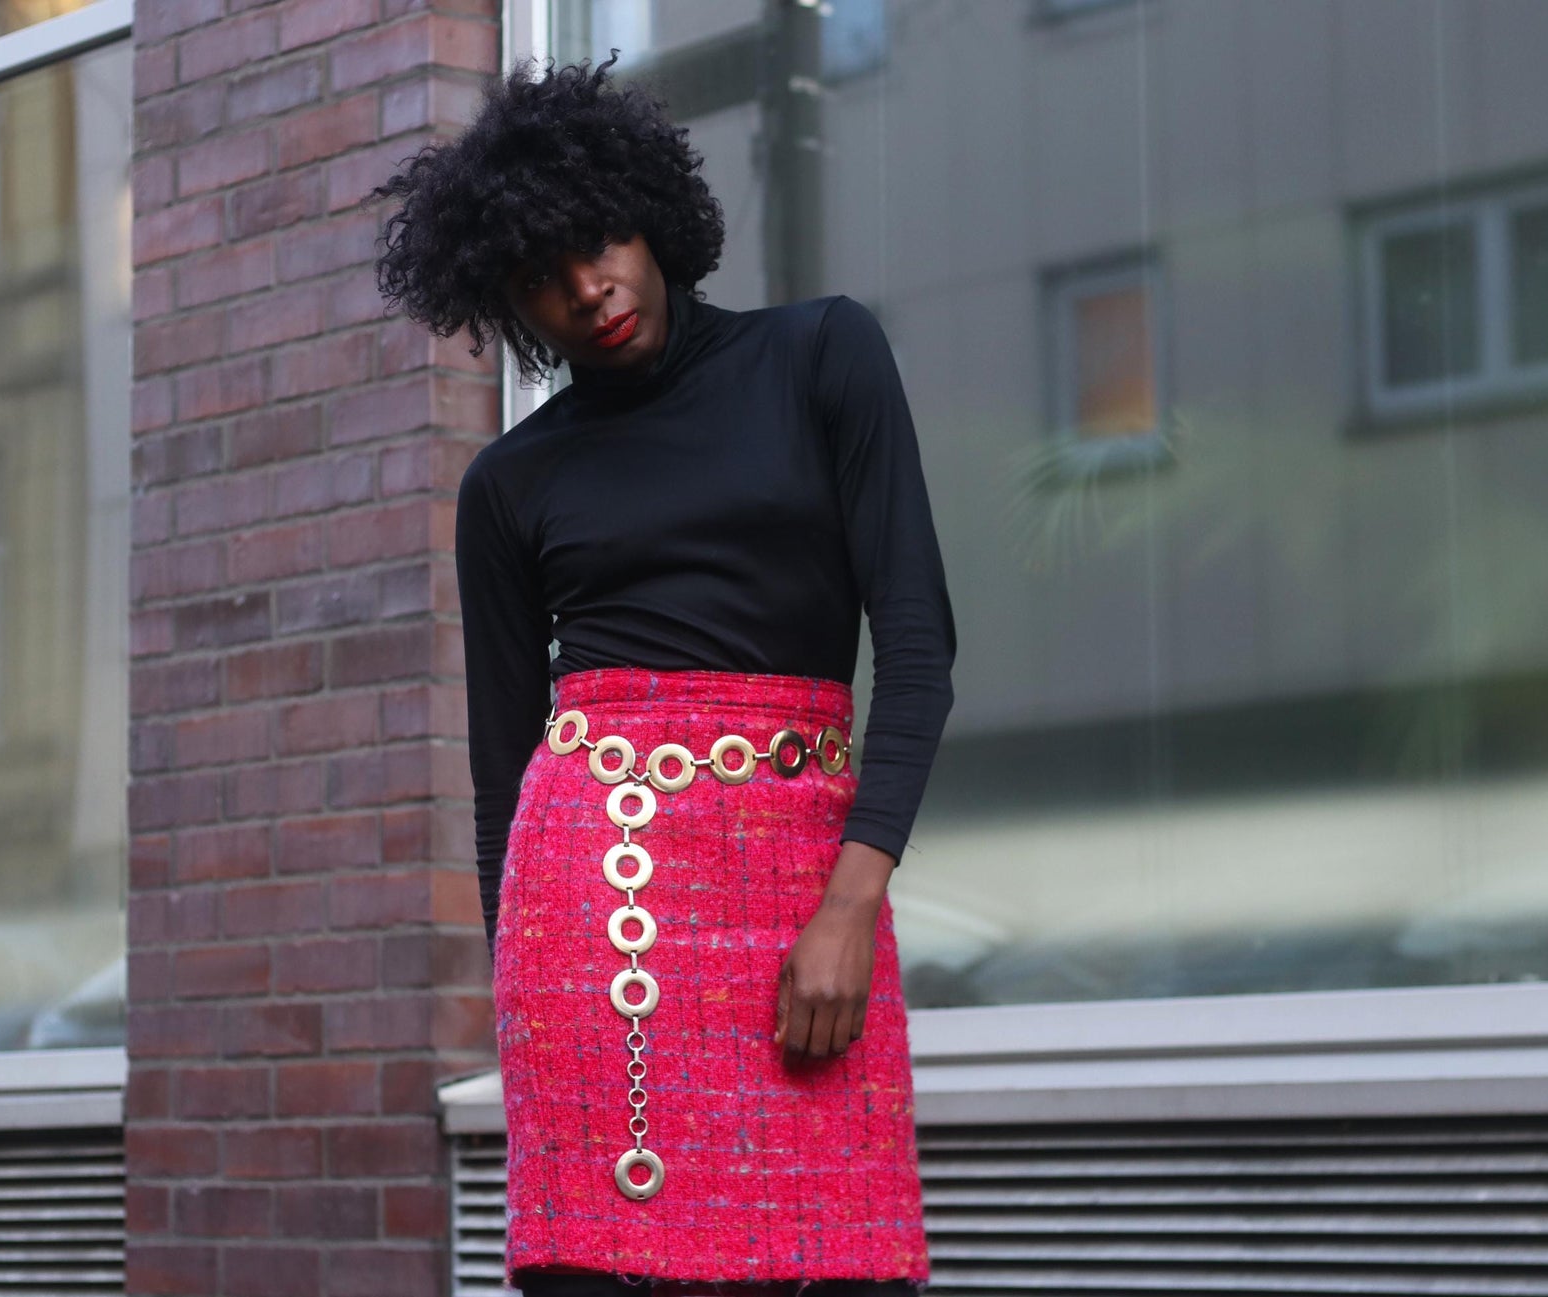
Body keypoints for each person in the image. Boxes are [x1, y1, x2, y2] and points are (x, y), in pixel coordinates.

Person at [367, 51, 955, 1297]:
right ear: (506, 305)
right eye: (540, 275)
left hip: (807, 877)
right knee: (598, 1271)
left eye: (600, 241)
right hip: (590, 911)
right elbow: (498, 774)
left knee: (842, 1261)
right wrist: (524, 1004)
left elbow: (917, 644)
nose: (588, 287)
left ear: (649, 214)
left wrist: (850, 905)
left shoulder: (824, 358)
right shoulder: (509, 484)